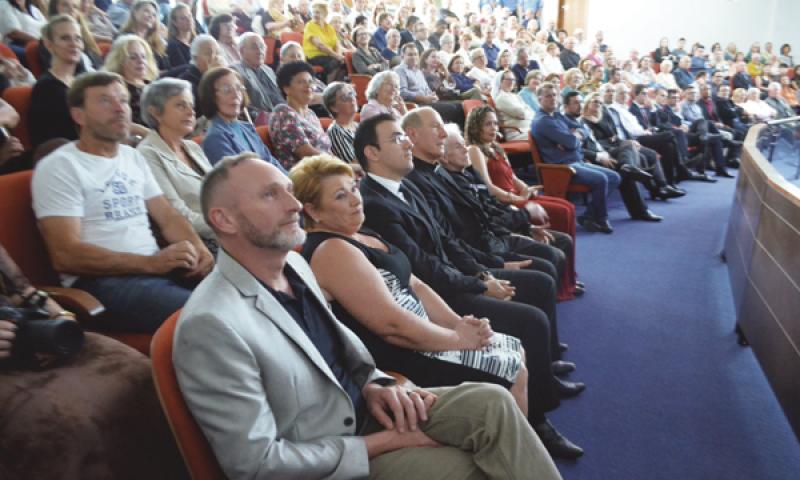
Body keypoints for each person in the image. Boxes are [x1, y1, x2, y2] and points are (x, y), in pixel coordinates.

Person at [175, 151, 563, 480]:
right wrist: (380, 444)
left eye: (289, 192)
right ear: (224, 220)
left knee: (492, 402)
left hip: (369, 408)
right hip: (331, 453)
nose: (293, 205)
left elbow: (340, 358)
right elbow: (255, 464)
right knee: (472, 466)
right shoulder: (211, 323)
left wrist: (377, 384)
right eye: (269, 195)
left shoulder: (295, 268)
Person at [356, 113, 585, 459]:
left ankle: (541, 385)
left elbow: (447, 241)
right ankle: (536, 420)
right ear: (372, 153)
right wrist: (477, 284)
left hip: (451, 279)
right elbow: (422, 266)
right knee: (530, 318)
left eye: (405, 135)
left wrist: (482, 275)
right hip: (437, 294)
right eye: (396, 138)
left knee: (537, 286)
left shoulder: (406, 187)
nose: (406, 142)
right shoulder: (372, 202)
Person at [292, 154, 532, 427]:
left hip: (425, 334)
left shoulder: (361, 233)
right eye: (339, 196)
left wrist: (459, 323)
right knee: (512, 367)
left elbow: (416, 284)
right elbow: (392, 327)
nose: (356, 200)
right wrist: (457, 339)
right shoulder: (331, 250)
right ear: (313, 210)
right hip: (405, 355)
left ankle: (520, 443)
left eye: (354, 188)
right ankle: (513, 453)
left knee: (515, 350)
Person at [32, 71, 214, 333]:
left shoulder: (132, 157)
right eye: (105, 101)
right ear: (78, 115)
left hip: (156, 269)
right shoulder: (60, 166)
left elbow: (168, 217)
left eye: (123, 101)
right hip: (103, 283)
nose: (120, 109)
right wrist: (150, 264)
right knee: (209, 319)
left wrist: (199, 250)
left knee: (244, 293)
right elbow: (66, 255)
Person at [137, 78, 217, 253]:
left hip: (225, 228)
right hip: (199, 242)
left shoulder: (193, 147)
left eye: (191, 106)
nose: (191, 112)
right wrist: (231, 226)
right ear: (156, 113)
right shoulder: (148, 154)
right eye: (181, 106)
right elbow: (179, 214)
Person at [531, 83, 621, 233]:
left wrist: (575, 136)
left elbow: (582, 129)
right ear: (539, 99)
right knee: (602, 179)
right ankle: (601, 218)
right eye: (548, 96)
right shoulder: (543, 121)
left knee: (615, 177)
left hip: (576, 161)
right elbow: (571, 143)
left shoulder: (557, 115)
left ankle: (588, 215)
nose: (553, 98)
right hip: (563, 167)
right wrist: (572, 139)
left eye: (555, 95)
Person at [568, 91, 662, 221]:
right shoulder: (570, 123)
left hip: (604, 152)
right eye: (576, 103)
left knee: (629, 150)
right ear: (567, 105)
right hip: (591, 160)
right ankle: (641, 210)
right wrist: (598, 157)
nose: (579, 105)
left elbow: (607, 138)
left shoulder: (581, 122)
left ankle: (628, 168)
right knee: (625, 172)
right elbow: (575, 149)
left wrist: (605, 152)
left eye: (581, 102)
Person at [199, 66, 282, 168]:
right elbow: (239, 178)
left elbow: (270, 161)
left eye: (239, 88)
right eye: (227, 89)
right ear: (210, 96)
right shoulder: (215, 138)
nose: (236, 95)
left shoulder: (248, 128)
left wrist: (291, 180)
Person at [28, 15, 82, 151]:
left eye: (78, 38)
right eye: (65, 38)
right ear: (49, 45)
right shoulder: (47, 88)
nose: (74, 44)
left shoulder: (82, 82)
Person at [268, 61, 332, 169]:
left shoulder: (311, 114)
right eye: (301, 82)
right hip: (306, 176)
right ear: (286, 89)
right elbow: (305, 153)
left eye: (310, 82)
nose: (308, 86)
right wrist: (340, 164)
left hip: (325, 169)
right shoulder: (283, 113)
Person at [394, 43, 464, 127]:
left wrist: (432, 95)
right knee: (452, 109)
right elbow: (402, 92)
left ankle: (460, 137)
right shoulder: (400, 70)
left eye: (415, 54)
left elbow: (428, 89)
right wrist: (424, 98)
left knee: (460, 107)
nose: (413, 57)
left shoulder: (417, 71)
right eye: (410, 54)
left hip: (429, 101)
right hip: (416, 104)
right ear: (402, 56)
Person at [103, 34, 157, 138]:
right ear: (120, 61)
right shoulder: (114, 88)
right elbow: (113, 119)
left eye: (143, 56)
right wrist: (147, 133)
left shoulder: (153, 86)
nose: (141, 61)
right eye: (133, 57)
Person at [232, 32, 285, 122]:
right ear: (241, 51)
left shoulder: (268, 69)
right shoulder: (235, 71)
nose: (260, 51)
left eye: (262, 47)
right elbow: (241, 106)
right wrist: (271, 118)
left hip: (284, 115)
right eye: (254, 47)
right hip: (263, 120)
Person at [119, 0, 169, 71]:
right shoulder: (124, 37)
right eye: (146, 11)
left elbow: (166, 66)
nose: (150, 16)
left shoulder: (156, 40)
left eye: (154, 15)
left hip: (161, 77)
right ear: (135, 13)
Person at [303, 1, 346, 83]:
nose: (315, 15)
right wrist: (336, 56)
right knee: (334, 62)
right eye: (313, 12)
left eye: (318, 12)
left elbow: (336, 44)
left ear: (325, 14)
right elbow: (320, 45)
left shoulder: (329, 27)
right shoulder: (310, 26)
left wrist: (340, 56)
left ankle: (336, 85)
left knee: (344, 62)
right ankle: (329, 86)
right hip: (314, 57)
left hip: (328, 56)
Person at [179, 34, 224, 110]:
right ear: (195, 57)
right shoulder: (188, 82)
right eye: (208, 53)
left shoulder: (220, 76)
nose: (215, 57)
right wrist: (212, 77)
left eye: (217, 53)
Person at [493, 69, 535, 141]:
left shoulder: (515, 96)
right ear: (500, 81)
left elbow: (531, 112)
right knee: (545, 134)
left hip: (526, 129)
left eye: (513, 79)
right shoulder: (501, 98)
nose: (512, 82)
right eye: (509, 79)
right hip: (516, 132)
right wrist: (526, 112)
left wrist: (526, 113)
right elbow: (521, 113)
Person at [323, 81, 358, 165]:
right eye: (344, 98)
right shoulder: (336, 131)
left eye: (351, 94)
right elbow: (352, 163)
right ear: (334, 108)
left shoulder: (357, 125)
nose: (351, 98)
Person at [166, 2, 195, 68]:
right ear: (175, 23)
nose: (188, 19)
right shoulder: (173, 45)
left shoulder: (197, 40)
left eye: (190, 16)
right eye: (183, 18)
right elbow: (183, 69)